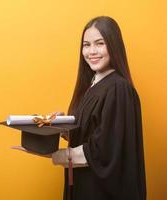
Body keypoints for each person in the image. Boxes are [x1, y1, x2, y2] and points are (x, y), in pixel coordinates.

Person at [13, 16, 146, 200]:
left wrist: (55, 155)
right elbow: (95, 131)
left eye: (100, 43)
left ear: (114, 46)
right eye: (86, 45)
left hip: (101, 192)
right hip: (83, 185)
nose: (92, 51)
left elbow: (105, 151)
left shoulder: (118, 88)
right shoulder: (92, 85)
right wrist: (61, 127)